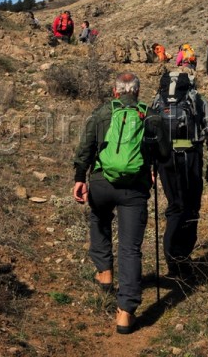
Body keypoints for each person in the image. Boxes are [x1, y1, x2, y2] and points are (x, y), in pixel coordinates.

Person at [73, 72, 170, 335]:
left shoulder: (102, 112)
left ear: (116, 92)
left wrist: (80, 178)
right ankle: (125, 312)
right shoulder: (150, 115)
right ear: (137, 92)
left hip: (102, 183)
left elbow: (86, 147)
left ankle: (104, 272)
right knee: (130, 248)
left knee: (99, 218)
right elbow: (164, 153)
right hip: (134, 190)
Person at [151, 61, 208, 280]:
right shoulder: (197, 99)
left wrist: (151, 165)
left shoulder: (158, 99)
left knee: (175, 206)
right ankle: (183, 259)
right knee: (191, 207)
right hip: (191, 157)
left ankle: (172, 261)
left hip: (165, 159)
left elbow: (150, 132)